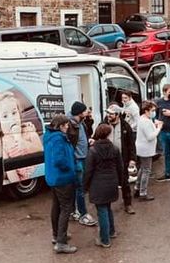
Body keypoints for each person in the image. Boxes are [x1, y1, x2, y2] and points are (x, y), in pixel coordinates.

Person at [84, 124, 124, 249]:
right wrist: (121, 183)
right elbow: (120, 168)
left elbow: (88, 171)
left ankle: (104, 239)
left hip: (98, 184)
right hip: (111, 182)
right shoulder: (115, 149)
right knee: (107, 208)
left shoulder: (93, 150)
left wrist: (84, 186)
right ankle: (111, 232)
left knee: (102, 210)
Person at [43, 114, 78, 254]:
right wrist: (70, 168)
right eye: (66, 125)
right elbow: (59, 160)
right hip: (62, 178)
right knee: (66, 208)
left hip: (53, 177)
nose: (67, 127)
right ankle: (61, 243)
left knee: (56, 206)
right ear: (60, 126)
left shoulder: (49, 136)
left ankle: (56, 235)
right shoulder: (59, 139)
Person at [103, 102, 136, 215]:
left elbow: (131, 144)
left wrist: (132, 159)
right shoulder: (103, 125)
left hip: (122, 159)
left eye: (111, 114)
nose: (109, 115)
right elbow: (96, 137)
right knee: (107, 182)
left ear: (117, 115)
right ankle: (106, 205)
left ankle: (128, 204)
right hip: (106, 160)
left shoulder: (125, 126)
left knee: (124, 182)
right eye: (108, 113)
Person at [67, 101, 97, 227]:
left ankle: (73, 211)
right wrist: (73, 159)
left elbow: (85, 135)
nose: (87, 112)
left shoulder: (81, 122)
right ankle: (83, 215)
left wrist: (88, 140)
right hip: (77, 160)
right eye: (85, 111)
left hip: (83, 158)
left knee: (78, 188)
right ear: (79, 113)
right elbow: (69, 144)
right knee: (80, 188)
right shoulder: (69, 125)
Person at [135, 100, 162, 201]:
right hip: (145, 149)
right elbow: (150, 136)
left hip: (142, 148)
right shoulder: (145, 121)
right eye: (152, 110)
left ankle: (137, 188)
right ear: (146, 111)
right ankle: (143, 192)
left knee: (142, 168)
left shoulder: (144, 119)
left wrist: (154, 125)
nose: (154, 112)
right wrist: (158, 128)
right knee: (146, 170)